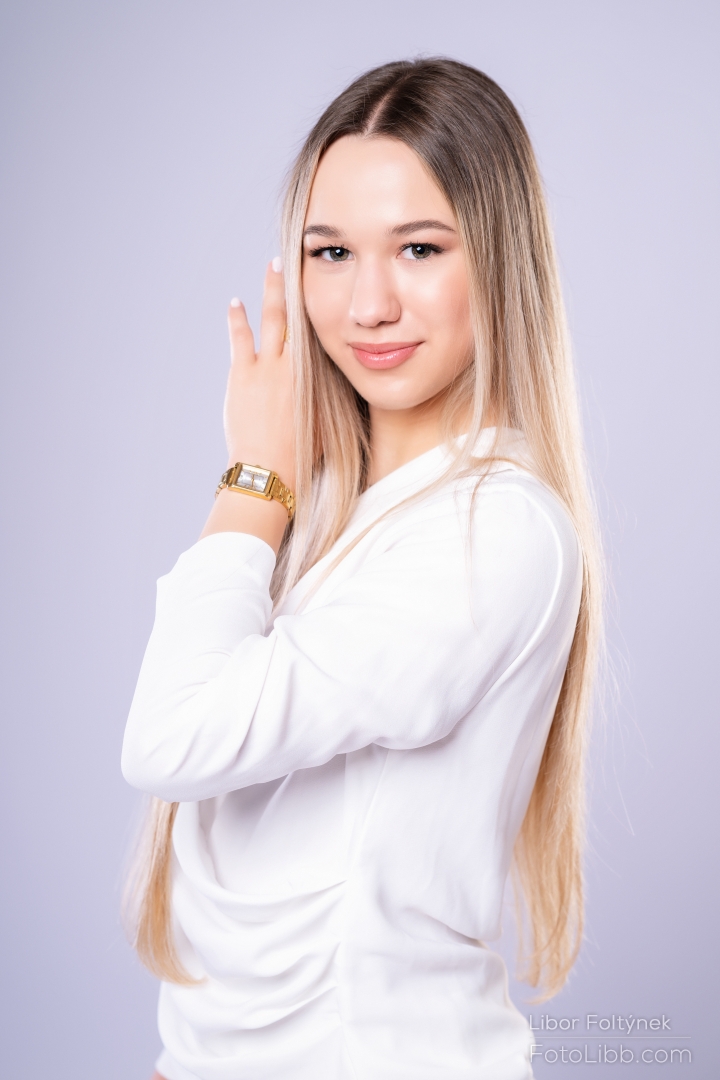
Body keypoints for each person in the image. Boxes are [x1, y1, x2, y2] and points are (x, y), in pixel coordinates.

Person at [122, 56, 602, 1080]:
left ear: (498, 261)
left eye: (420, 248)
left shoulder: (496, 531)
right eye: (331, 252)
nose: (368, 304)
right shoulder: (333, 519)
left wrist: (254, 475)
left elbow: (171, 737)